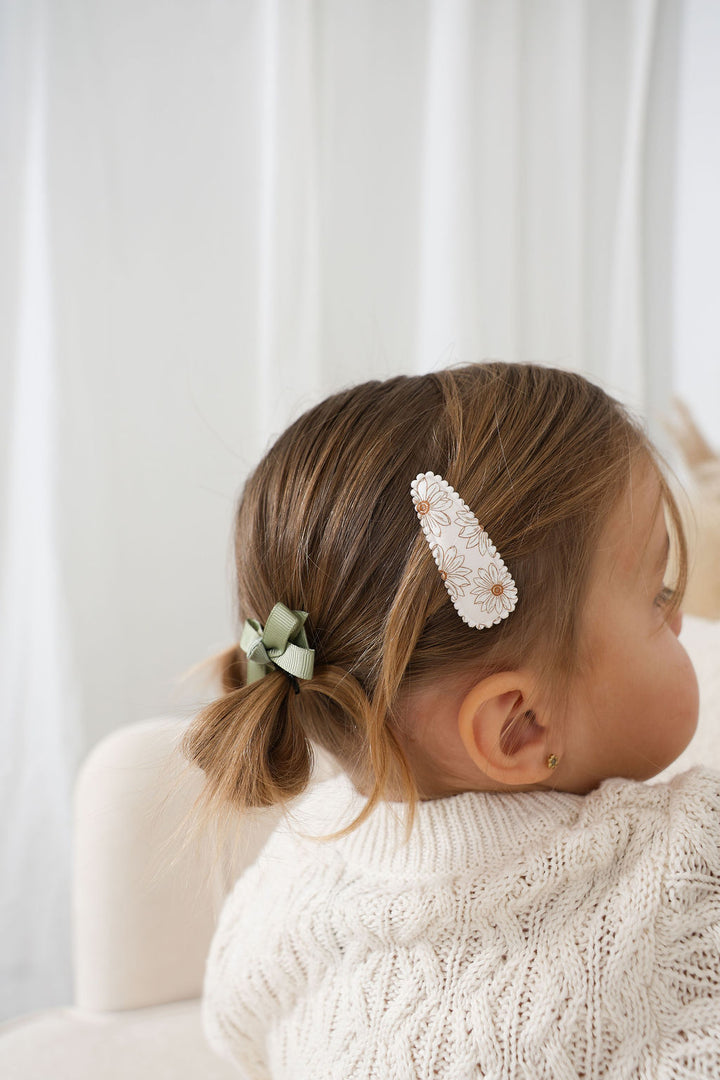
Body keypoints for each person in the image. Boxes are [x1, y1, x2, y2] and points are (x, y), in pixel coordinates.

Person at [180, 362, 720, 1079]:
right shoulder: (691, 857)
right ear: (518, 727)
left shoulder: (302, 859)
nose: (681, 615)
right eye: (656, 595)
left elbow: (237, 1031)